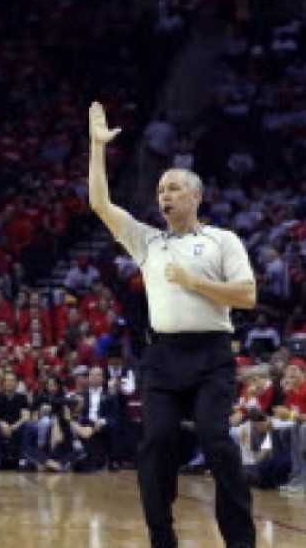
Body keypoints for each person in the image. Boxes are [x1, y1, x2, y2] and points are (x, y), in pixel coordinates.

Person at [87, 102, 256, 548]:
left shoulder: (222, 240)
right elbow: (99, 203)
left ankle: (242, 542)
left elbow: (246, 296)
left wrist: (193, 281)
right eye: (162, 188)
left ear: (195, 197)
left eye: (175, 188)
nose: (166, 195)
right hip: (163, 357)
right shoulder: (148, 241)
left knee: (217, 441)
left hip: (212, 355)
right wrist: (97, 147)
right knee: (156, 442)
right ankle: (162, 538)